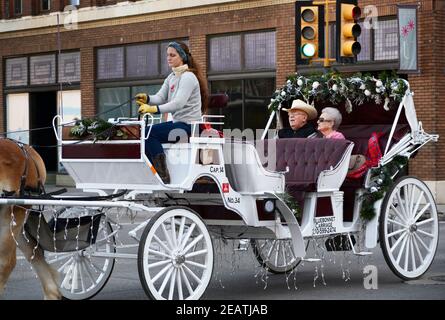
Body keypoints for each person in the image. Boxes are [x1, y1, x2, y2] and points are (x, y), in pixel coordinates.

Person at [135, 41, 208, 184]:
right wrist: (148, 99)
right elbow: (160, 97)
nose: (169, 58)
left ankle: (163, 175)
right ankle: (154, 170)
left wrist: (153, 109)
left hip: (190, 127)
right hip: (179, 124)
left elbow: (178, 103)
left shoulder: (188, 77)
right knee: (144, 132)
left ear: (182, 57)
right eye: (167, 55)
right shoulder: (172, 77)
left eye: (172, 55)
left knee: (148, 133)